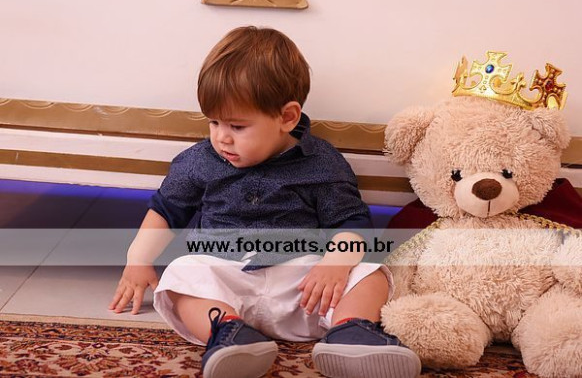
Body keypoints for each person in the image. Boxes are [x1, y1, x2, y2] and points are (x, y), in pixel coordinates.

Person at [109, 26, 421, 378]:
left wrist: (335, 264)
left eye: (237, 126)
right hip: (227, 279)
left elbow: (351, 222)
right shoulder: (199, 161)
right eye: (214, 122)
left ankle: (350, 332)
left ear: (287, 117)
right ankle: (229, 334)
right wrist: (138, 259)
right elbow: (167, 210)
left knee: (370, 273)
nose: (221, 137)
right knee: (181, 275)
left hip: (304, 287)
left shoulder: (322, 163)